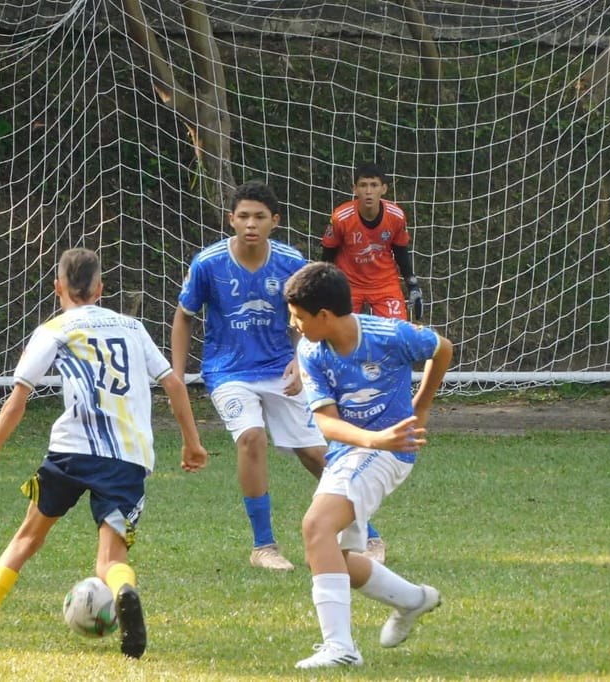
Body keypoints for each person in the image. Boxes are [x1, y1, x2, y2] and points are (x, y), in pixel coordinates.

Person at [0, 248, 207, 659]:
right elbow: (174, 384)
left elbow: (18, 400)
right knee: (111, 556)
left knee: (27, 538)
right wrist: (192, 443)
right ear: (101, 289)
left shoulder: (55, 328)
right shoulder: (133, 327)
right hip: (127, 456)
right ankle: (123, 589)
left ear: (58, 288)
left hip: (71, 452)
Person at [171, 181, 386, 569]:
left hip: (281, 369)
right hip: (228, 371)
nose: (250, 224)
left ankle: (367, 534)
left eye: (259, 217)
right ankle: (263, 547)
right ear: (231, 220)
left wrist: (300, 358)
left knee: (317, 454)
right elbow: (184, 316)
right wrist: (177, 372)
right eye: (243, 216)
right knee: (251, 438)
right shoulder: (208, 263)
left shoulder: (291, 262)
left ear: (275, 221)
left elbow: (307, 319)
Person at [283, 261, 453, 669]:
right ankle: (413, 600)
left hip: (390, 452)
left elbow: (441, 348)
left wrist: (421, 407)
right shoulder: (311, 350)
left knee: (315, 527)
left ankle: (340, 649)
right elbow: (325, 421)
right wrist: (372, 438)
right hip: (359, 449)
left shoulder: (388, 335)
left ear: (324, 316)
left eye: (299, 317)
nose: (294, 325)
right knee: (332, 557)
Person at [321, 161, 423, 322]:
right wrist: (322, 286)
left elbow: (401, 252)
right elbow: (327, 254)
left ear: (384, 188)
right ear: (355, 189)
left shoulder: (396, 216)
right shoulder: (341, 217)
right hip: (349, 284)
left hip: (384, 283)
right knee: (341, 335)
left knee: (396, 335)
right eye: (363, 185)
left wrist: (412, 285)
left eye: (374, 185)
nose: (368, 191)